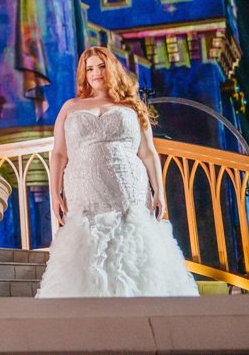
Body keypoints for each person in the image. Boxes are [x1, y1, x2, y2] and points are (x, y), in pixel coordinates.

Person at [36, 46, 198, 298]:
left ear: (111, 68)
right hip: (84, 189)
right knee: (85, 247)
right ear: (83, 74)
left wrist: (159, 191)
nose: (95, 73)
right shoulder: (70, 107)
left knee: (131, 242)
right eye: (89, 69)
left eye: (100, 66)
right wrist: (55, 193)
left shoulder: (131, 106)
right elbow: (58, 153)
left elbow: (147, 152)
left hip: (126, 187)